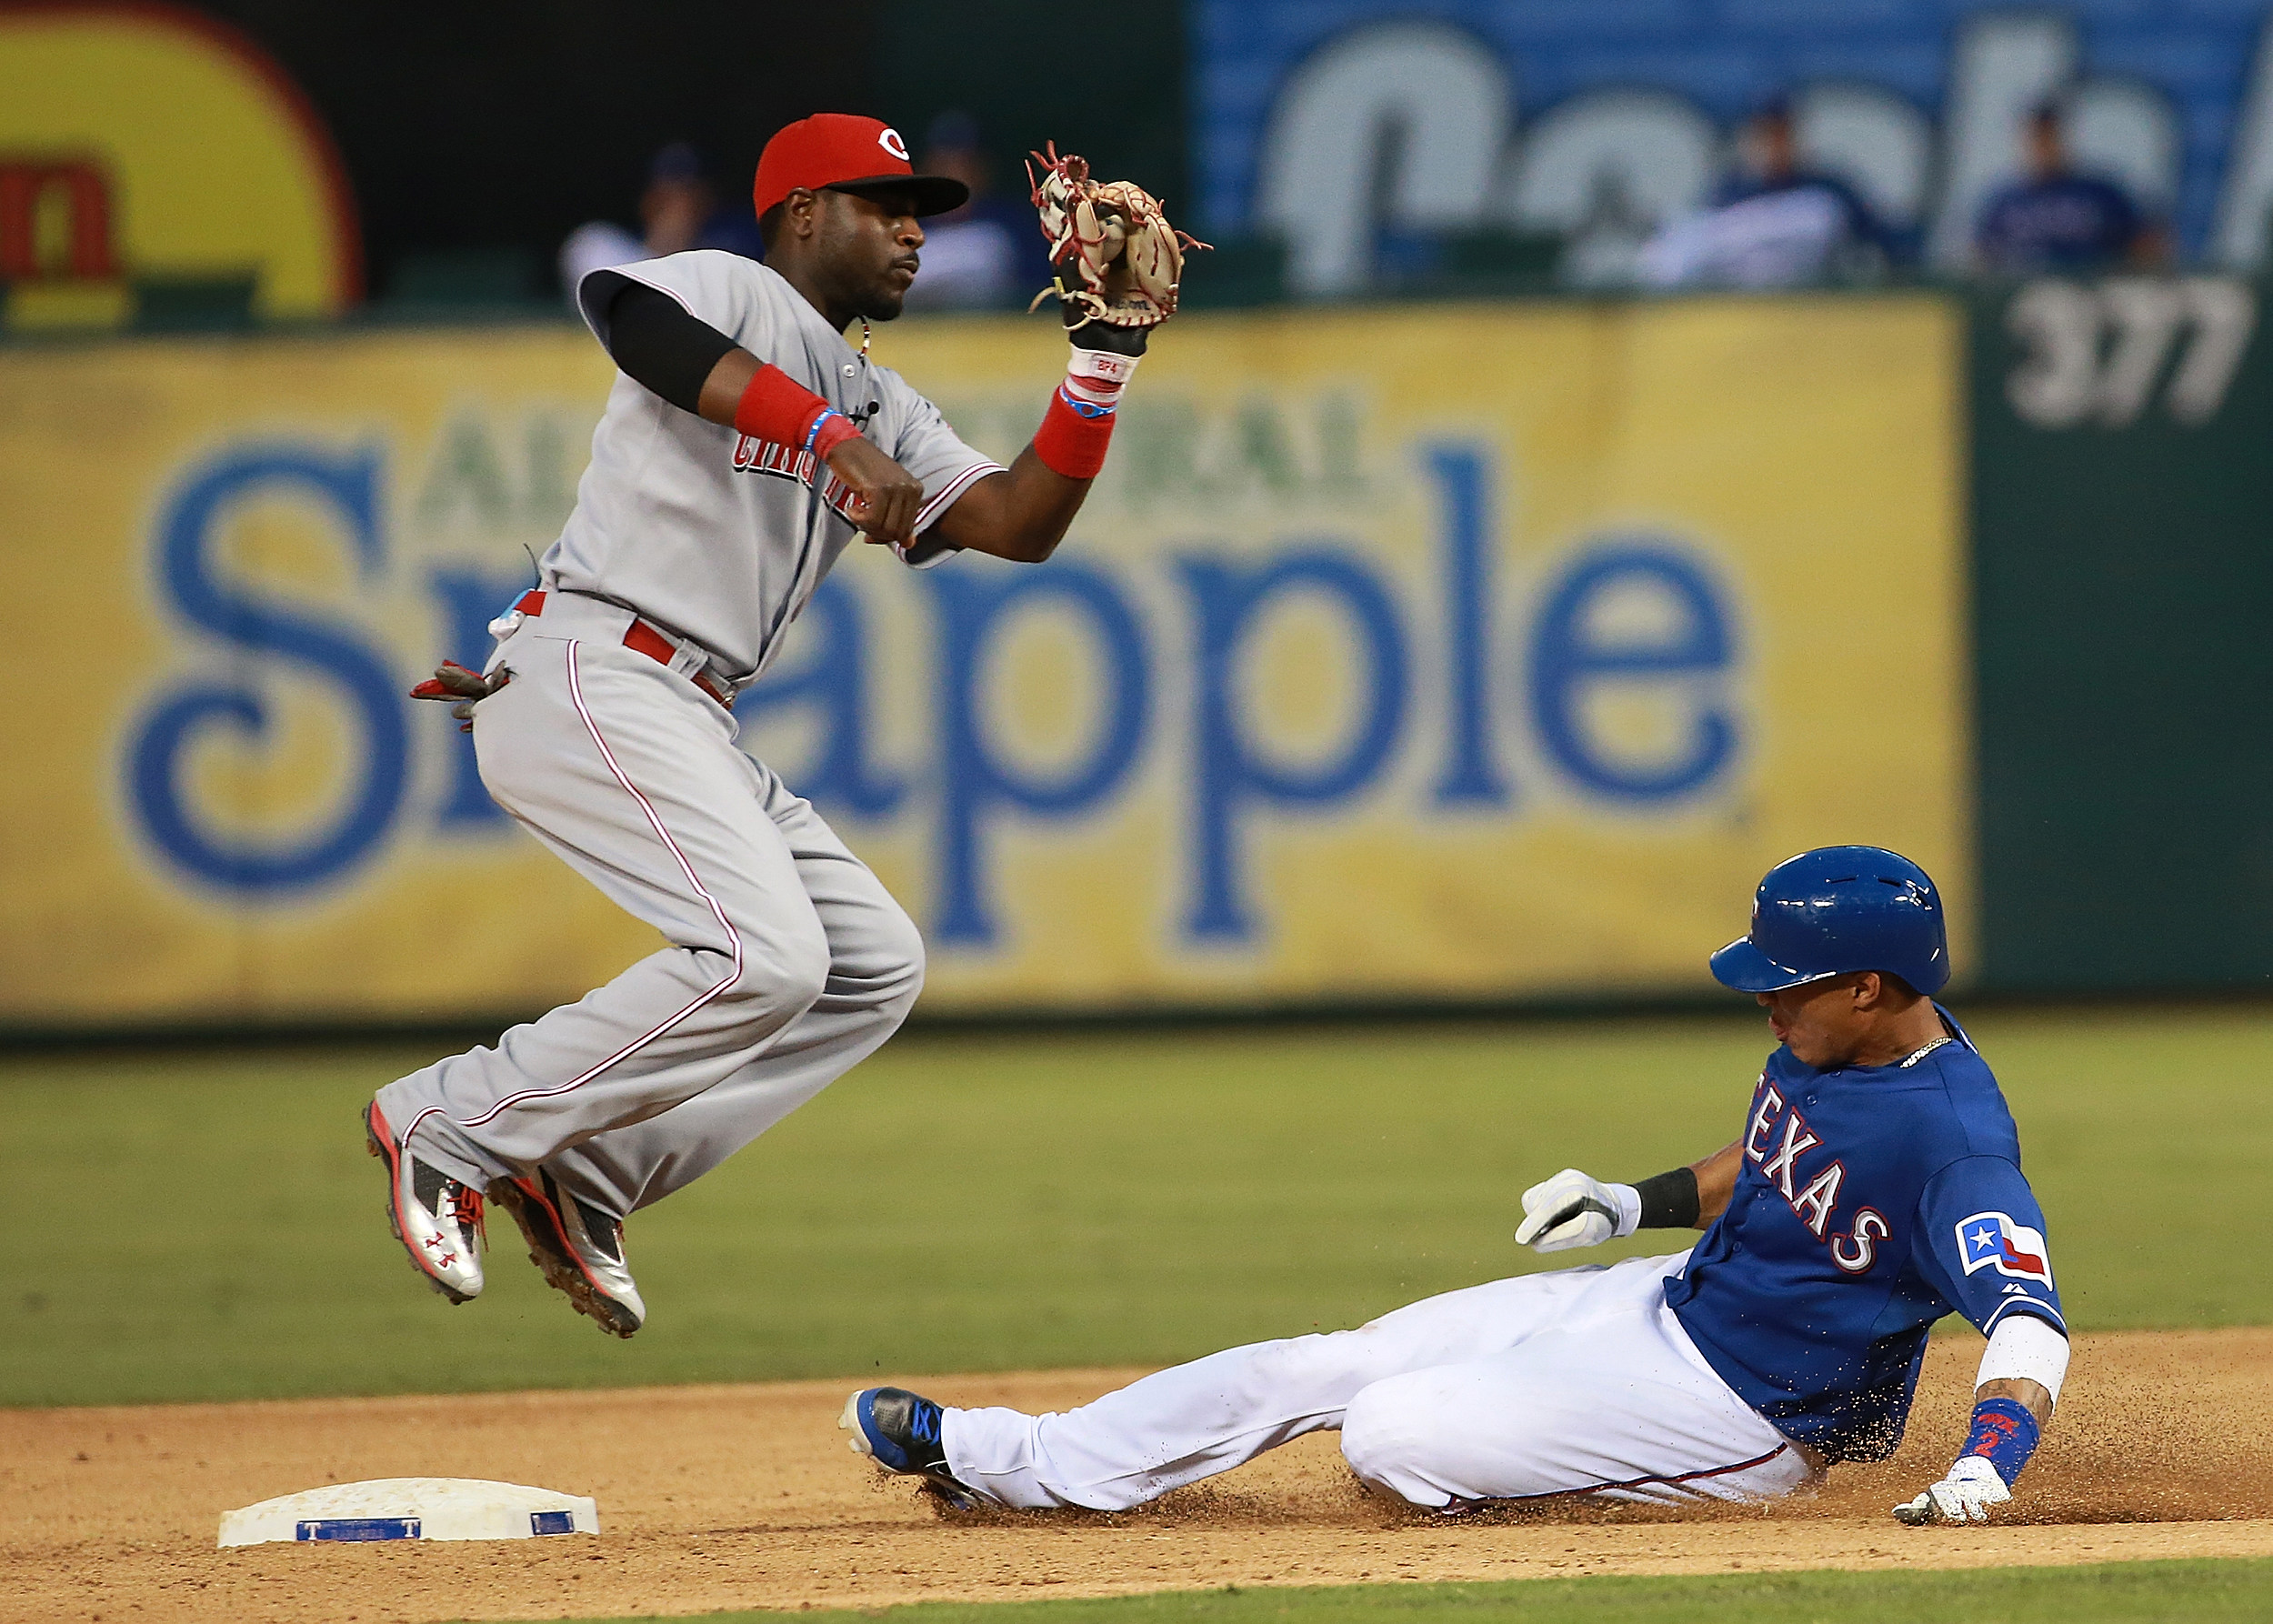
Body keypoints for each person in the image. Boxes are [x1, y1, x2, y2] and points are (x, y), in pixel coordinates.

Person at [366, 113, 1157, 1337]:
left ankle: (593, 1173)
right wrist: (828, 438)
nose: (910, 231)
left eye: (922, 213)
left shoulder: (887, 402)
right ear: (800, 214)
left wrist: (1101, 359)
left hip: (685, 708)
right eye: (880, 205)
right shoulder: (729, 287)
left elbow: (1015, 518)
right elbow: (629, 320)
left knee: (871, 964)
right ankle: (453, 1116)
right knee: (767, 954)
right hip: (590, 664)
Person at [844, 847, 2070, 1527]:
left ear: (1871, 986)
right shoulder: (1839, 1043)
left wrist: (1990, 1461)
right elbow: (1780, 1164)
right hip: (1663, 1303)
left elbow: (2027, 1322)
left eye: (1788, 979)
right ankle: (1008, 1456)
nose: (1764, 994)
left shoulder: (1957, 1142)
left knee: (1397, 1431)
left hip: (1760, 1421)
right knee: (1331, 1361)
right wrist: (1631, 1200)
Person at [1639, 97, 1893, 289]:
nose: (1774, 145)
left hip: (1817, 318)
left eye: (1781, 134)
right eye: (1765, 134)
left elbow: (1886, 243)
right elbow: (1670, 262)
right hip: (1743, 323)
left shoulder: (1828, 189)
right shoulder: (1726, 196)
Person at [558, 142, 769, 301]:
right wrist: (665, 240)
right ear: (647, 199)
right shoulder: (605, 245)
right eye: (666, 195)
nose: (678, 206)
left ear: (710, 199)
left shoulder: (735, 242)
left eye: (689, 194)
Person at [1975, 100, 2165, 275]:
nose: (2043, 148)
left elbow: (2145, 245)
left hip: (2087, 293)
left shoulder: (2099, 195)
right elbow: (1981, 259)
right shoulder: (2006, 204)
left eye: (2049, 138)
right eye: (2037, 139)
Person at [899, 112, 1054, 312]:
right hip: (912, 338)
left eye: (965, 163)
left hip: (1001, 334)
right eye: (944, 162)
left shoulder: (1013, 227)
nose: (954, 172)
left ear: (984, 168)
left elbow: (1040, 297)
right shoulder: (904, 228)